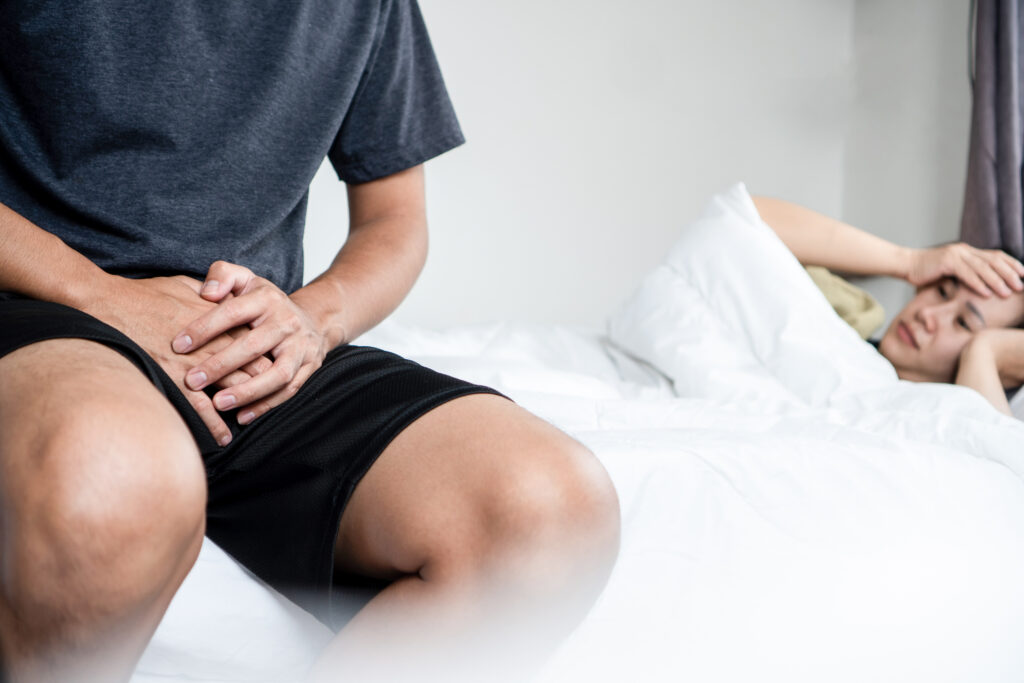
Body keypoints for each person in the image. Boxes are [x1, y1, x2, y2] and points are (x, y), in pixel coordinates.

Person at [0, 3, 619, 682]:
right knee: (113, 479)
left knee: (550, 511)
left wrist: (309, 321)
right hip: (41, 305)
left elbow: (395, 221)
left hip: (250, 349)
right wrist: (99, 294)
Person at [753, 196, 1024, 415]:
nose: (927, 315)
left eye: (963, 323)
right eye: (942, 291)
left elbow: (994, 459)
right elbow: (742, 219)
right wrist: (909, 262)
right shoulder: (839, 332)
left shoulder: (943, 420)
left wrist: (986, 351)